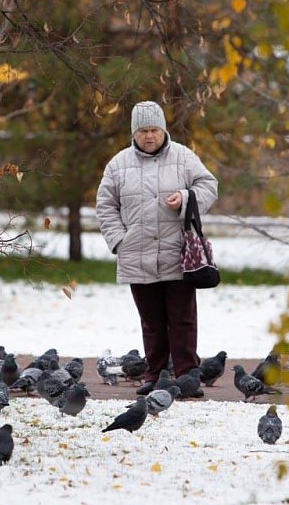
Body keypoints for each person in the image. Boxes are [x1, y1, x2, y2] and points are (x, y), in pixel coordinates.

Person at [96, 100, 219, 395]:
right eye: (142, 131)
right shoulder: (118, 164)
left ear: (163, 130)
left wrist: (186, 197)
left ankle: (188, 377)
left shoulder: (184, 157)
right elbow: (105, 206)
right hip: (136, 254)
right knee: (151, 322)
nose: (149, 136)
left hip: (179, 255)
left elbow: (209, 185)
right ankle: (154, 375)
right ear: (133, 133)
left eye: (154, 129)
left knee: (182, 319)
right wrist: (119, 240)